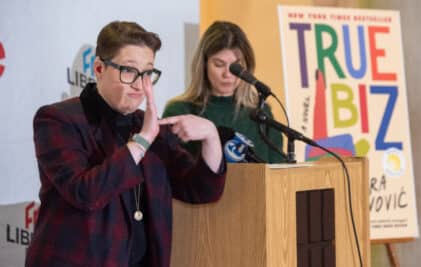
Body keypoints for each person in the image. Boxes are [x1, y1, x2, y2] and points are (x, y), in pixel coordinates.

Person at [25, 21, 226, 267]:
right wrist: (141, 142)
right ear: (99, 68)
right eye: (129, 71)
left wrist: (211, 137)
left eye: (148, 73)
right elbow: (85, 193)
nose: (140, 85)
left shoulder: (149, 126)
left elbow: (200, 190)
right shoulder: (59, 119)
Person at [162, 21, 285, 163]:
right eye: (219, 64)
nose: (228, 74)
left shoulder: (260, 113)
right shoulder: (179, 111)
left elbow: (278, 173)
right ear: (203, 65)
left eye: (235, 67)